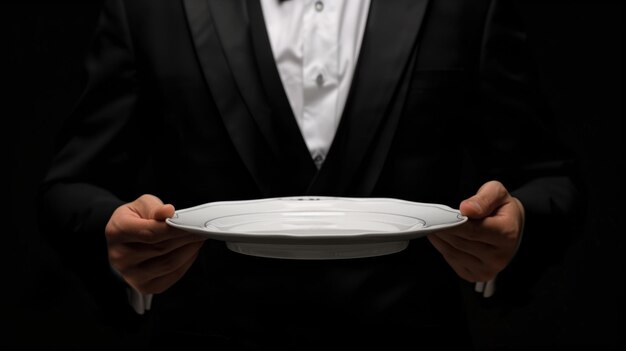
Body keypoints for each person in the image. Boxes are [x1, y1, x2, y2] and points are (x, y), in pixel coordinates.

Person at [38, 0, 583, 349]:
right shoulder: (146, 9)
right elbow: (69, 186)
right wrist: (113, 234)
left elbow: (547, 178)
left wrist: (515, 231)